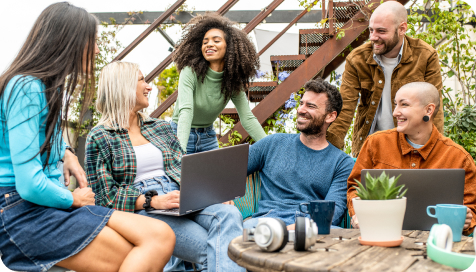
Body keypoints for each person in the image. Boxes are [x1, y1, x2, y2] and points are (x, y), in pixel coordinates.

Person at [0, 3, 174, 272]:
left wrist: (66, 151)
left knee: (161, 235)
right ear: (67, 40)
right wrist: (73, 199)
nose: (95, 49)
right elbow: (28, 185)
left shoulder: (46, 88)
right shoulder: (26, 87)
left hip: (41, 206)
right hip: (22, 212)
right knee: (139, 252)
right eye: (91, 41)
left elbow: (38, 137)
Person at [85, 61, 245, 272]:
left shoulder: (160, 127)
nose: (149, 86)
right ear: (122, 87)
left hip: (182, 196)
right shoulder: (100, 136)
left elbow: (184, 167)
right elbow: (104, 197)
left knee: (230, 214)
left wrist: (213, 192)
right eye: (142, 80)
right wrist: (153, 201)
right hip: (146, 208)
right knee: (215, 250)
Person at [347, 82, 476, 235]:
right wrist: (358, 213)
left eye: (404, 105)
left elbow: (471, 209)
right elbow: (355, 188)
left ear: (428, 110)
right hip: (380, 237)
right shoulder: (375, 144)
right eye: (395, 105)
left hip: (436, 242)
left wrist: (467, 218)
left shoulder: (459, 158)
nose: (395, 112)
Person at [326, 1, 444, 157]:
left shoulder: (425, 56)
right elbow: (345, 108)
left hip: (411, 146)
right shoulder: (357, 59)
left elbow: (434, 109)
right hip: (370, 147)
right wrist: (327, 152)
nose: (373, 37)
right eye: (371, 30)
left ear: (402, 29)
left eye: (381, 31)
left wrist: (435, 153)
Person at [243, 79, 354, 230]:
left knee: (338, 235)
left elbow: (332, 213)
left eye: (311, 106)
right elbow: (231, 170)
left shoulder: (342, 163)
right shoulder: (272, 143)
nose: (301, 110)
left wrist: (295, 229)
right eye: (301, 103)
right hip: (269, 221)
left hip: (310, 225)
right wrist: (224, 197)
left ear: (330, 116)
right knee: (249, 227)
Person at [171, 13, 266, 154]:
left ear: (230, 46)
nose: (209, 44)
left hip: (208, 136)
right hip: (181, 132)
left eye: (216, 41)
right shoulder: (190, 71)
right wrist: (180, 151)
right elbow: (186, 111)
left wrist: (271, 147)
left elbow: (247, 118)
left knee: (215, 176)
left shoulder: (232, 80)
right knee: (182, 175)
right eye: (205, 42)